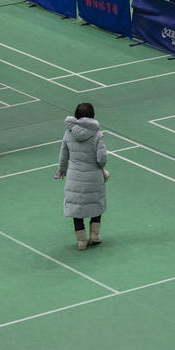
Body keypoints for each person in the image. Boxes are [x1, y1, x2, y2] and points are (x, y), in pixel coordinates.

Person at [55, 103, 108, 251]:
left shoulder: (68, 132)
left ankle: (81, 242)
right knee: (96, 204)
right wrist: (102, 168)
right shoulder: (97, 135)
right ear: (92, 115)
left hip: (74, 176)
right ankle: (94, 235)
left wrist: (61, 170)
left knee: (76, 208)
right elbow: (102, 158)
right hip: (93, 176)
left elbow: (63, 154)